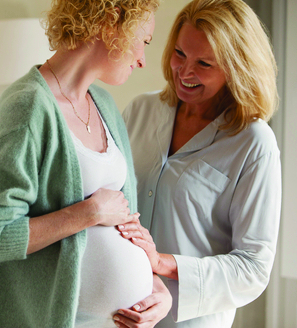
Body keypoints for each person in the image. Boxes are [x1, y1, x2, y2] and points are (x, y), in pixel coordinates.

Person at [0, 0, 172, 327]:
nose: (142, 60)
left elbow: (126, 221)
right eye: (143, 41)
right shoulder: (29, 108)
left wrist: (156, 288)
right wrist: (88, 213)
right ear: (110, 23)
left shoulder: (103, 103)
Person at [118, 0, 282, 327]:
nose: (185, 72)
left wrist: (163, 264)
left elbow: (253, 267)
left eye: (204, 63)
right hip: (120, 310)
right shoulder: (141, 111)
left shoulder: (253, 143)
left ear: (238, 68)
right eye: (180, 54)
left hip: (190, 320)